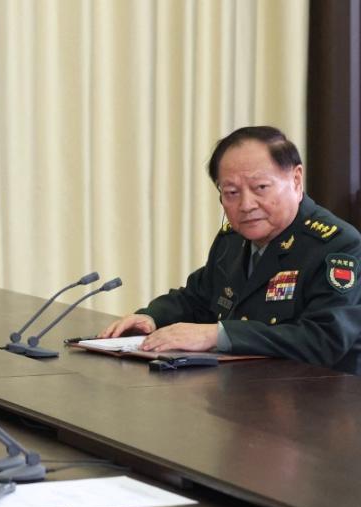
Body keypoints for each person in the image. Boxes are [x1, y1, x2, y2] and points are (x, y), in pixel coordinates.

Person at [100, 126, 361, 374]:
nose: (246, 205)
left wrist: (218, 334)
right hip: (245, 389)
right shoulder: (233, 239)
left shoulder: (338, 246)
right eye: (232, 192)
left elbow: (323, 340)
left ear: (295, 179)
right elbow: (198, 298)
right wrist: (151, 318)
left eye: (260, 188)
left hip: (320, 396)